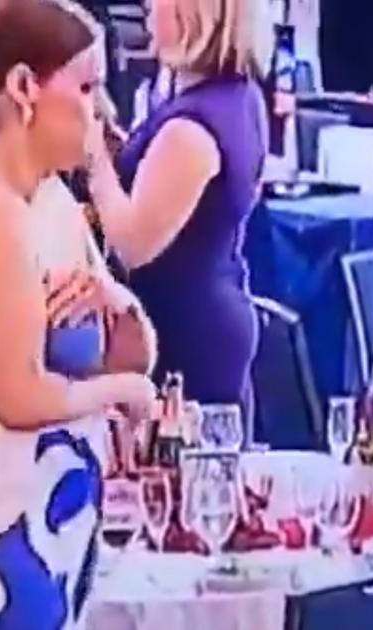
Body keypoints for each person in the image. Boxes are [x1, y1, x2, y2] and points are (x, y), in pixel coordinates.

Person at [0, 0, 156, 626]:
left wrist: (117, 304)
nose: (103, 111)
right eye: (87, 88)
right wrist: (122, 393)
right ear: (24, 88)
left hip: (56, 492)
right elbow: (16, 394)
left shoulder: (49, 201)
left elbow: (126, 352)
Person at [89, 0, 267, 409]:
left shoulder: (190, 128)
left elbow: (132, 245)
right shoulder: (239, 97)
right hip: (207, 312)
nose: (148, 9)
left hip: (184, 331)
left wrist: (94, 155)